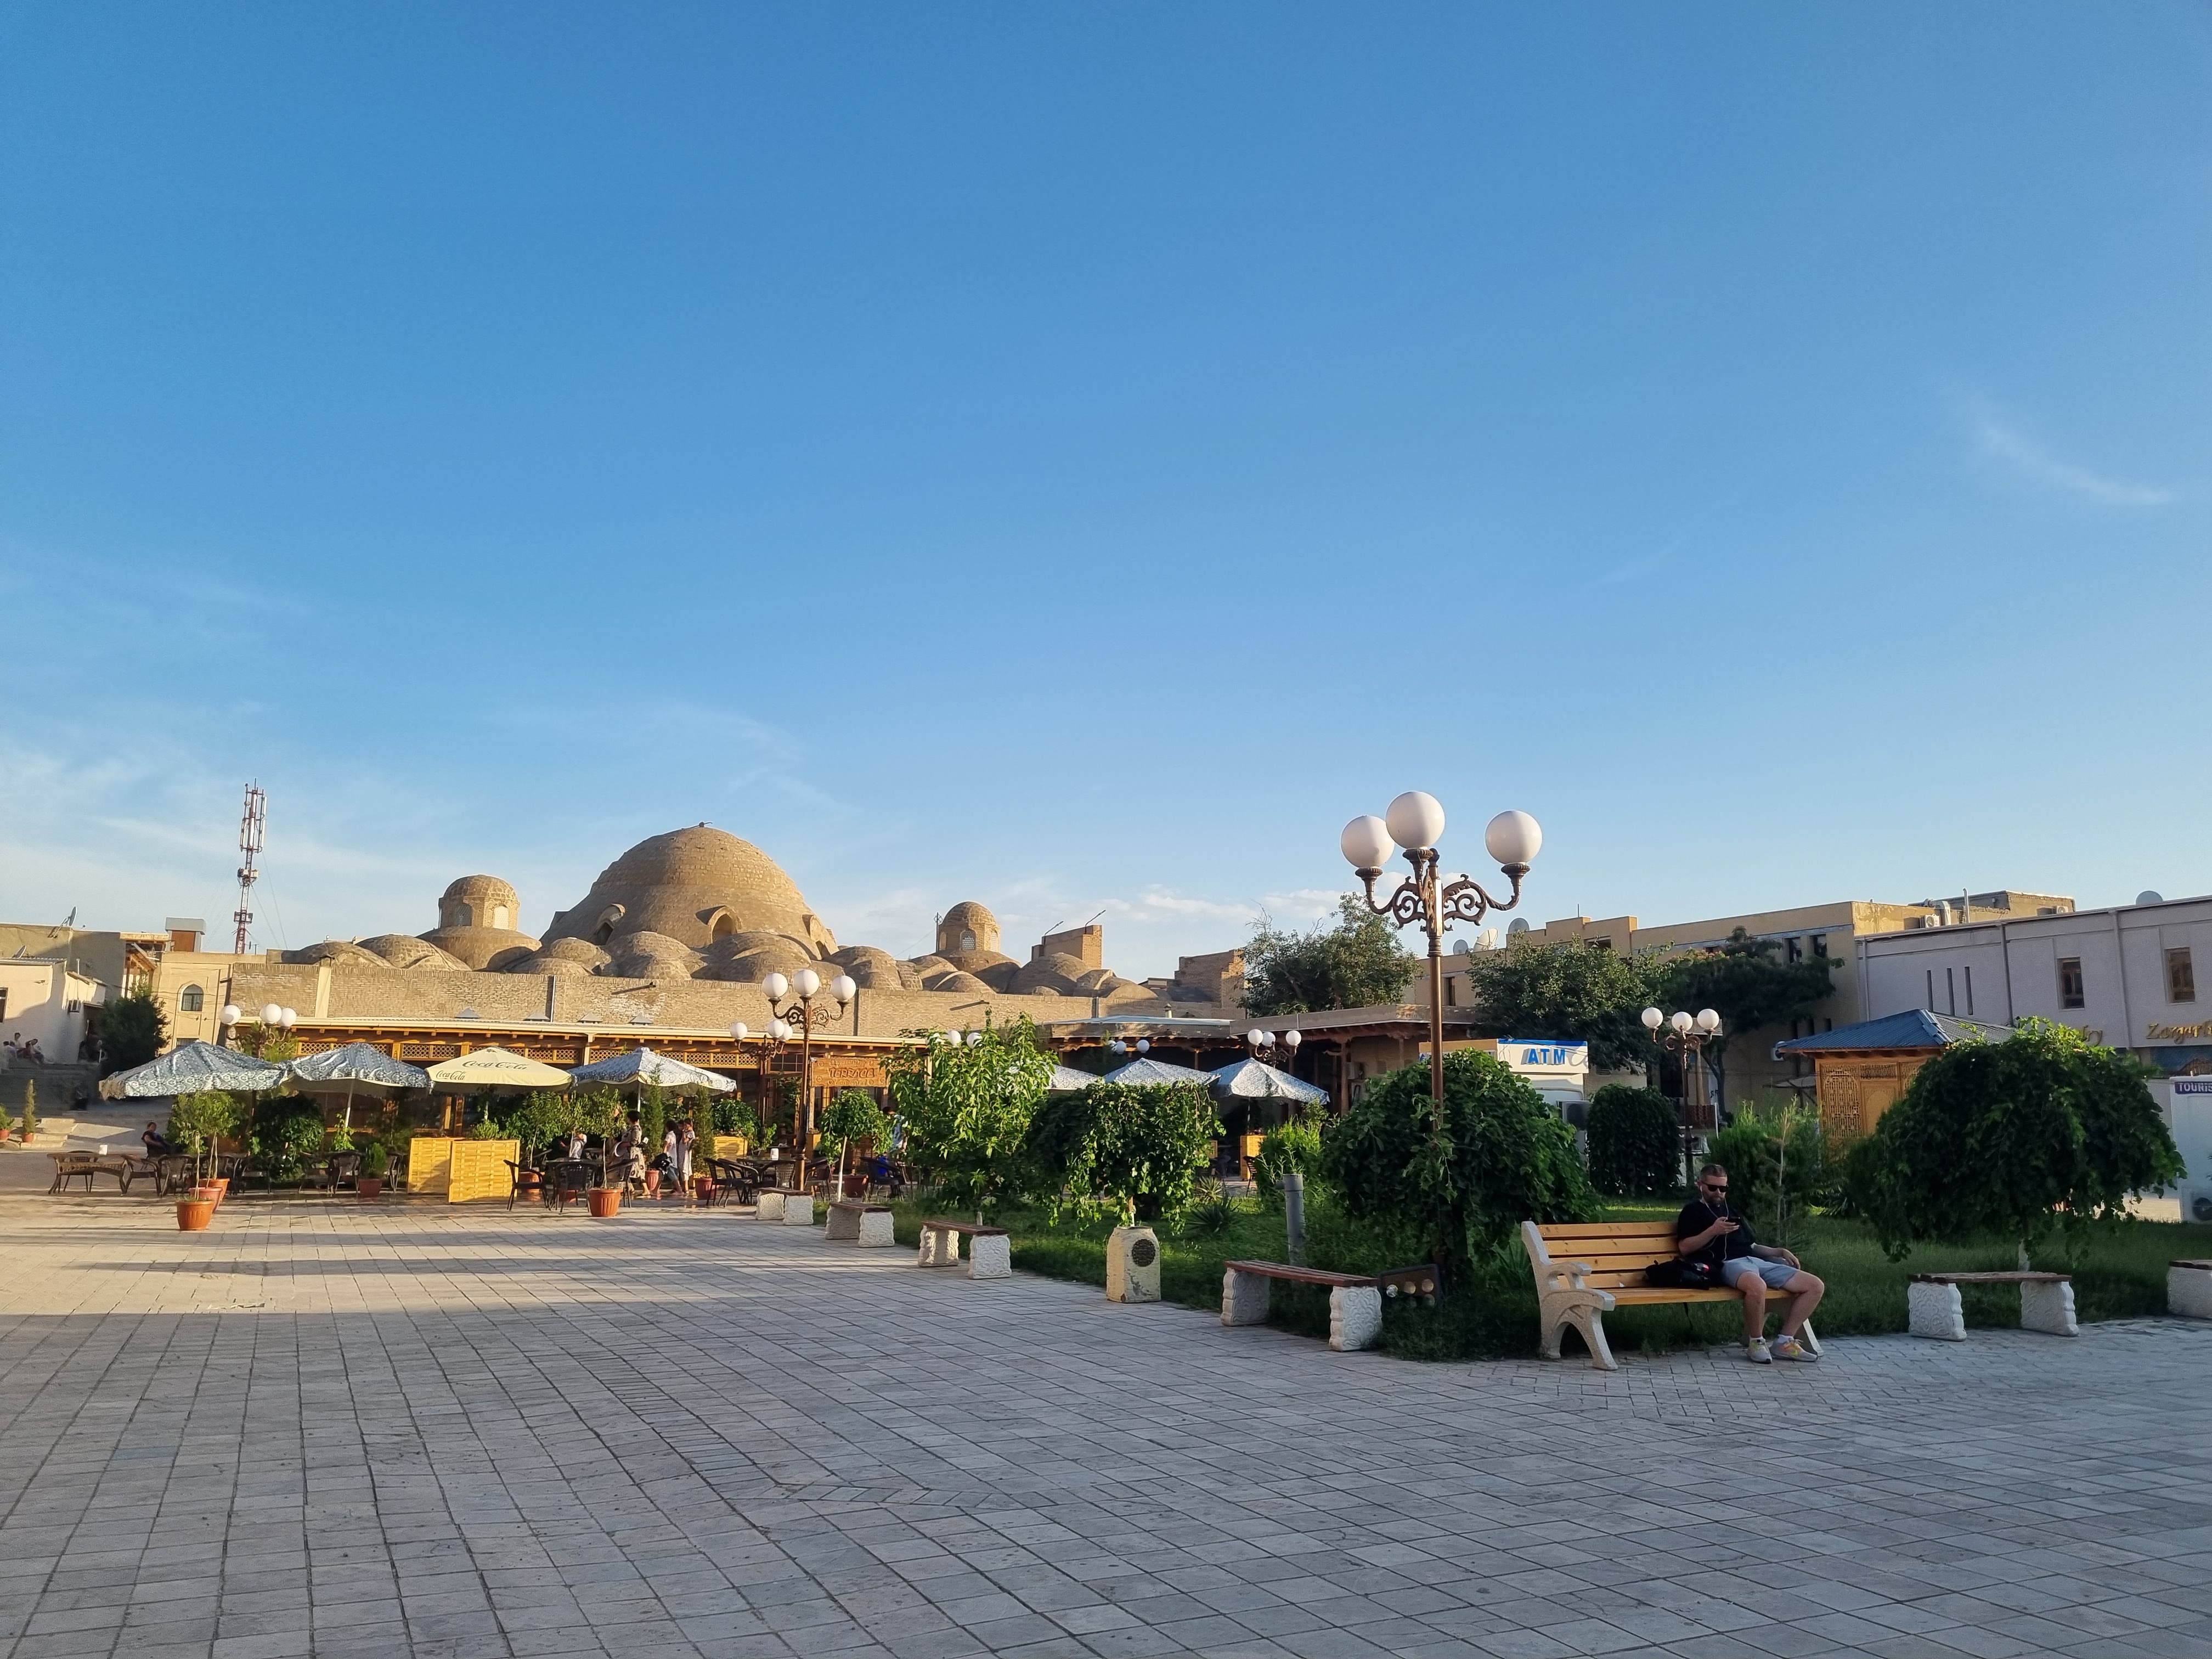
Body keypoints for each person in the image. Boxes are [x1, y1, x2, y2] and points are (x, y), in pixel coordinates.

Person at [1675, 1161, 1825, 1364]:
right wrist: (1712, 1231)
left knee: (1815, 1285)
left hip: (1754, 1261)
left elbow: (1751, 1246)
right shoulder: (1692, 1211)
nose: (1718, 1193)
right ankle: (1756, 1342)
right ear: (1700, 1185)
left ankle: (1785, 1341)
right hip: (1726, 1263)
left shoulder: (1731, 1210)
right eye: (1712, 1188)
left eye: (1723, 1188)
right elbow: (1685, 1248)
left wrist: (1779, 1251)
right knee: (1757, 1286)